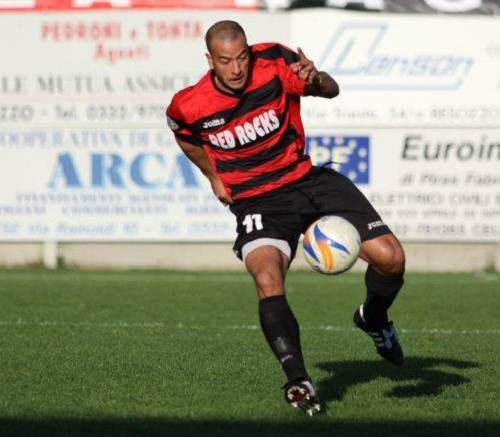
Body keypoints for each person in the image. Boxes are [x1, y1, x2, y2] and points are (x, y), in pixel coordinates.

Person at [166, 20, 406, 416]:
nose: (237, 69)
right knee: (266, 277)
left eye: (242, 57)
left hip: (307, 180)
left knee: (391, 258)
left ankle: (373, 318)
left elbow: (331, 90)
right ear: (210, 60)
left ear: (249, 51)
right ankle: (299, 379)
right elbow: (182, 131)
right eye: (226, 61)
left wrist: (316, 78)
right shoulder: (190, 103)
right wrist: (212, 174)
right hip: (258, 202)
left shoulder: (275, 60)